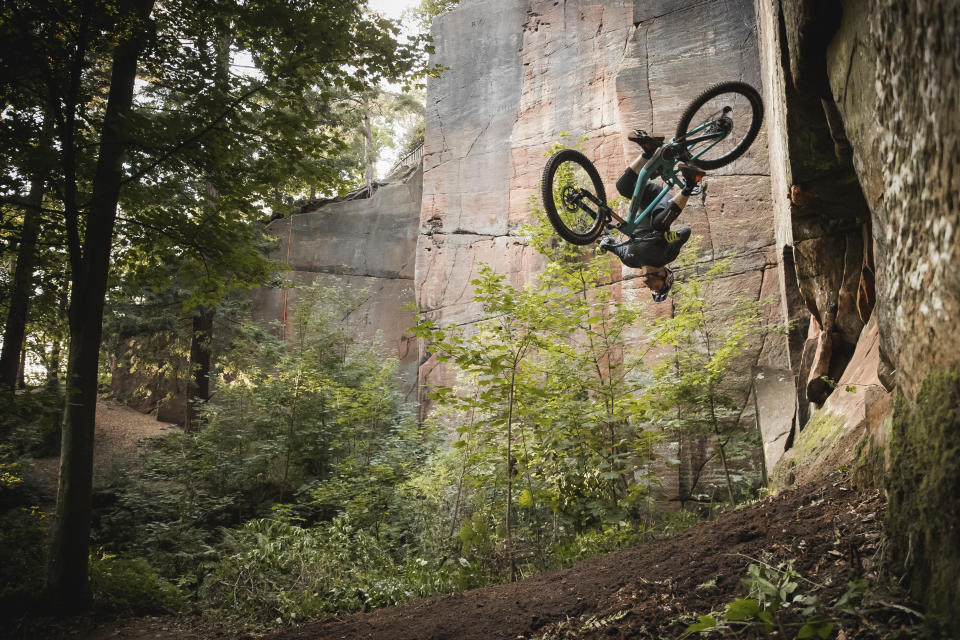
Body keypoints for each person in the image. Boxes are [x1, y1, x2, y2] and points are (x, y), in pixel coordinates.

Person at [599, 130, 705, 302]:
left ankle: (648, 152)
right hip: (659, 202)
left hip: (642, 202)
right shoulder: (667, 256)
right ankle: (690, 184)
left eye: (652, 290)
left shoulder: (630, 261)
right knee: (658, 226)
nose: (649, 286)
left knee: (623, 187)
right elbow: (685, 231)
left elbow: (611, 244)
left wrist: (604, 244)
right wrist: (672, 237)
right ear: (666, 278)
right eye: (656, 288)